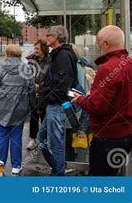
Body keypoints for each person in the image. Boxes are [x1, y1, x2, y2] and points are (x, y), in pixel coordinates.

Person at [72, 25, 132, 176]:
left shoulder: (107, 68)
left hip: (108, 137)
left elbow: (96, 108)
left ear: (106, 44)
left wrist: (80, 99)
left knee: (100, 180)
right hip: (127, 133)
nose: (98, 47)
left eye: (98, 43)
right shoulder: (130, 63)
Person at [0, 44, 35, 176]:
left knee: (2, 135)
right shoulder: (26, 69)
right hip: (20, 109)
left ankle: (0, 164)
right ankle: (16, 166)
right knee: (16, 136)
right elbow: (31, 89)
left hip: (2, 108)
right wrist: (32, 105)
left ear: (8, 54)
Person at [37, 25, 77, 176]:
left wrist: (48, 96)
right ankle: (57, 169)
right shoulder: (58, 54)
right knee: (42, 139)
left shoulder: (63, 55)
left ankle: (59, 174)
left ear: (55, 38)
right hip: (53, 104)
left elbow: (62, 84)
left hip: (57, 105)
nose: (46, 37)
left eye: (48, 35)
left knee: (55, 143)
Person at [26, 39, 50, 151]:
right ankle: (33, 139)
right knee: (34, 116)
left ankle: (45, 140)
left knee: (45, 117)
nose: (35, 51)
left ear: (44, 49)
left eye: (37, 48)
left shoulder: (50, 61)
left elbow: (51, 78)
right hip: (33, 93)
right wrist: (31, 84)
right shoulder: (31, 60)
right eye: (34, 48)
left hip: (45, 93)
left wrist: (40, 86)